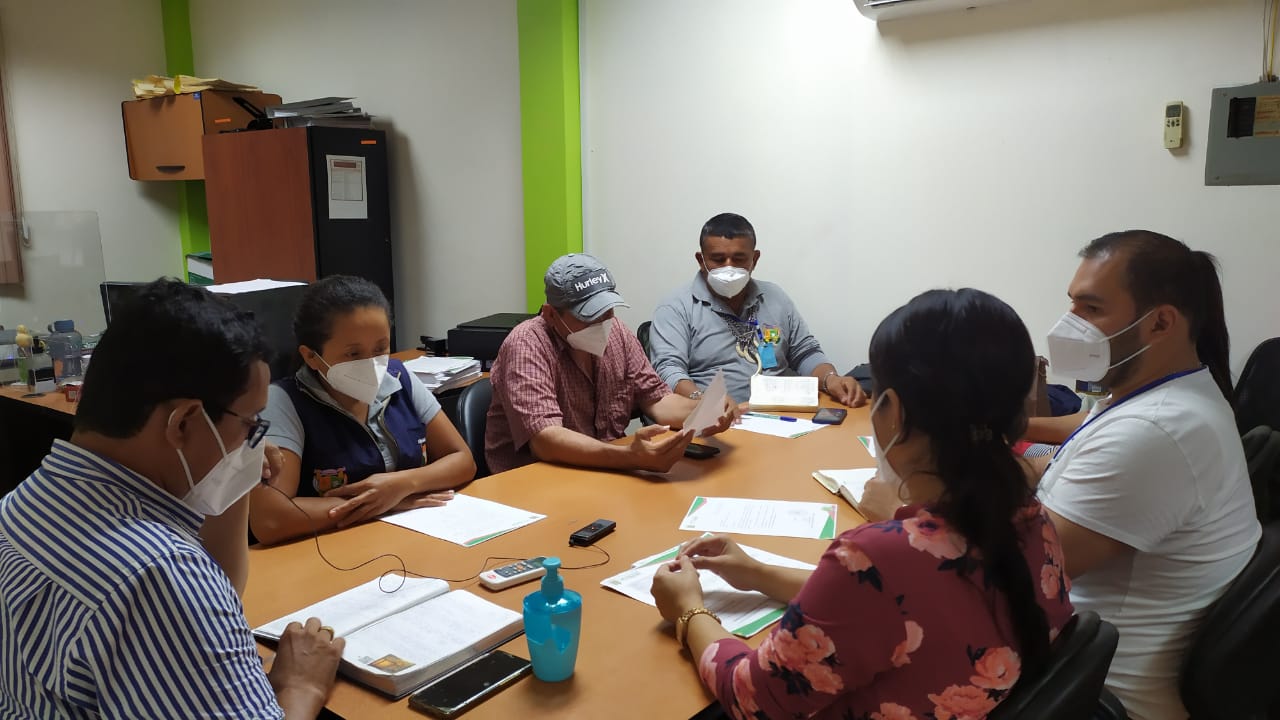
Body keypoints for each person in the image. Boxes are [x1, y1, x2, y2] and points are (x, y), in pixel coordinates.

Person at [651, 288, 1073, 719]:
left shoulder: (873, 556)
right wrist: (757, 573)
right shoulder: (1030, 515)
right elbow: (880, 606)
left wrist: (689, 610)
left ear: (892, 409)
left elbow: (750, 698)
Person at [0, 279, 343, 718]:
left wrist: (237, 469)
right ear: (182, 423)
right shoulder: (160, 574)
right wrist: (300, 687)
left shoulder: (23, 504)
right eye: (251, 425)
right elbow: (185, 590)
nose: (254, 443)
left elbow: (217, 589)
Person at [1032, 231, 1260, 720]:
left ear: (1160, 322)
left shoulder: (1156, 432)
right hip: (1077, 661)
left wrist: (905, 506)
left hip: (1093, 696)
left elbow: (1015, 571)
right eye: (1072, 304)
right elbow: (1086, 428)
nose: (1070, 323)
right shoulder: (1168, 391)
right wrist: (1007, 434)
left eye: (1091, 308)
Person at [251, 275, 475, 545]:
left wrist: (403, 485)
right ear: (311, 356)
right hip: (334, 548)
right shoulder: (284, 402)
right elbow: (270, 519)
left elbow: (462, 459)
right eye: (353, 354)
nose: (371, 363)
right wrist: (380, 504)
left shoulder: (399, 377)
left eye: (381, 348)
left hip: (412, 537)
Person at [486, 253, 736, 475]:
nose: (603, 322)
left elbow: (657, 400)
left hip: (604, 468)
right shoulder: (526, 344)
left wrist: (705, 410)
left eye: (607, 311)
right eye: (588, 316)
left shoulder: (616, 331)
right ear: (551, 314)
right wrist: (628, 457)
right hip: (535, 479)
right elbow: (545, 440)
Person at [648, 212, 866, 406]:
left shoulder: (775, 297)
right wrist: (704, 402)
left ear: (755, 259)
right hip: (717, 421)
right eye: (718, 259)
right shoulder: (675, 307)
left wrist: (830, 379)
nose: (729, 267)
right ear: (701, 260)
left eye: (739, 259)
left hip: (780, 415)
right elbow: (669, 371)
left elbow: (805, 352)